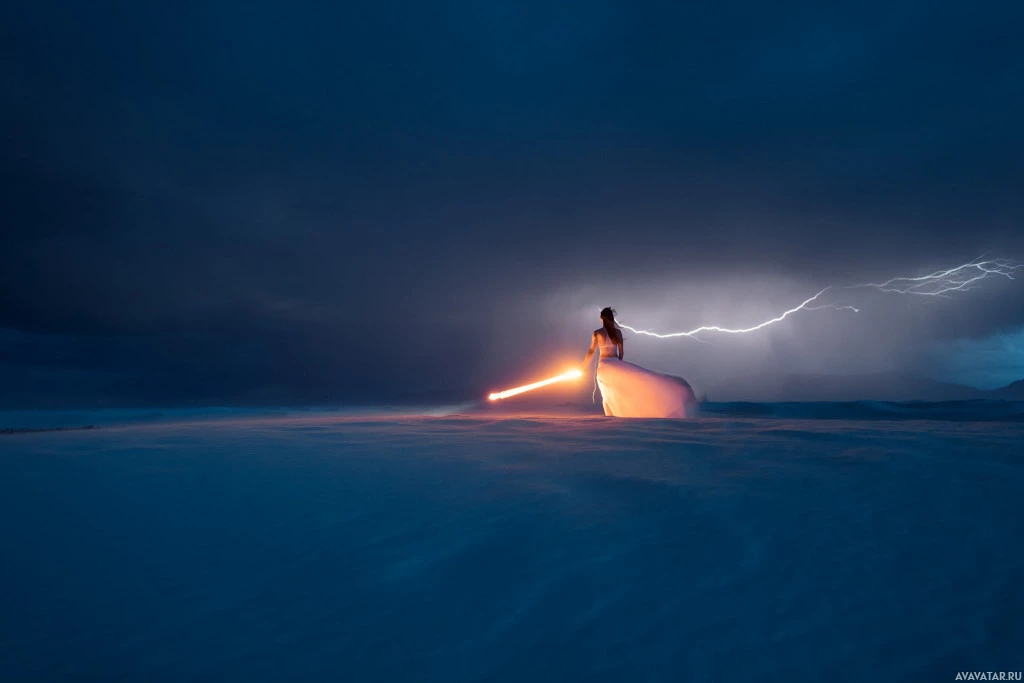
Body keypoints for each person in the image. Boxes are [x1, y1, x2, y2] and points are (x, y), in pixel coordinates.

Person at [581, 307, 697, 418]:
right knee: (620, 390)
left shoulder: (597, 333)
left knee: (607, 394)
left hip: (604, 366)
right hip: (615, 363)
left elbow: (591, 350)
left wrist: (584, 366)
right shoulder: (618, 333)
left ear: (602, 318)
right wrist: (619, 365)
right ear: (612, 318)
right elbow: (621, 354)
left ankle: (611, 417)